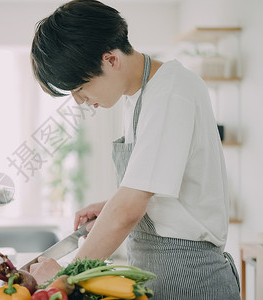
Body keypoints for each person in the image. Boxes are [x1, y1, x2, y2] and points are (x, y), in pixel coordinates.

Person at [28, 0, 241, 299]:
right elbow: (155, 193)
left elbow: (129, 209)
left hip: (191, 280)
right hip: (157, 275)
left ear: (110, 60)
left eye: (80, 87)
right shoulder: (139, 97)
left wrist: (64, 277)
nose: (78, 100)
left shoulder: (171, 92)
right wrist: (111, 205)